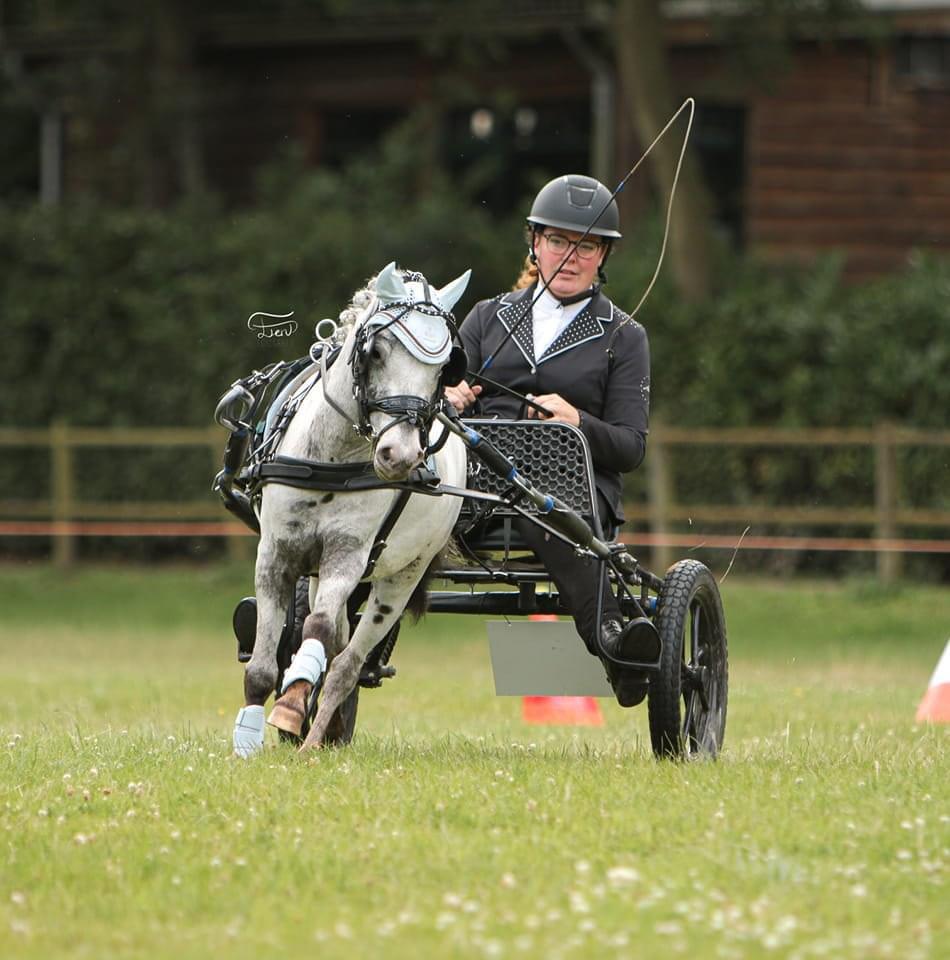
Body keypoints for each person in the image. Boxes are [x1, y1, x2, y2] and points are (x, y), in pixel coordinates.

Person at [445, 174, 654, 706]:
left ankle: (609, 638)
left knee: (546, 502)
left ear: (602, 255)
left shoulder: (623, 336)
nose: (569, 256)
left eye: (585, 245)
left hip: (572, 492)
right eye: (558, 241)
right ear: (535, 243)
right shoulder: (487, 318)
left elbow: (630, 447)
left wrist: (578, 420)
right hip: (475, 485)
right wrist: (449, 400)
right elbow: (436, 397)